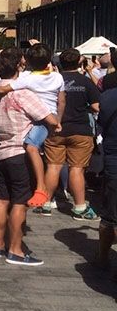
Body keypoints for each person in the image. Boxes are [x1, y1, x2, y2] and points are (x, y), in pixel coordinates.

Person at [0, 48, 60, 266]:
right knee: (20, 202)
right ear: (18, 67)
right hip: (20, 152)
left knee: (1, 199)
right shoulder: (24, 93)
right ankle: (16, 250)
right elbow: (48, 118)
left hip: (1, 150)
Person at [0, 42, 65, 207]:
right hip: (50, 116)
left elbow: (4, 89)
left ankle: (41, 187)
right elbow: (62, 100)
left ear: (28, 62)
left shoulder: (28, 80)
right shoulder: (58, 77)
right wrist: (58, 120)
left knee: (31, 147)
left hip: (42, 118)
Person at [39, 48, 100, 221]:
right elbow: (96, 106)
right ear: (80, 63)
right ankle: (80, 207)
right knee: (77, 168)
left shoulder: (53, 80)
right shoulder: (86, 81)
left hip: (55, 128)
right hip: (80, 129)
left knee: (53, 166)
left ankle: (46, 203)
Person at [97, 76, 117, 272]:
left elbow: (102, 123)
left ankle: (103, 257)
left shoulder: (107, 97)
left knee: (110, 216)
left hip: (113, 161)